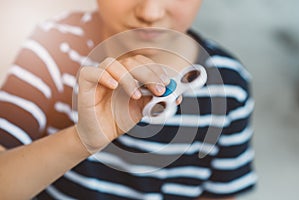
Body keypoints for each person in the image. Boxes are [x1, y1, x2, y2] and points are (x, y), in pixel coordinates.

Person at [0, 0, 256, 199]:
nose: (150, 12)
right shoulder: (54, 49)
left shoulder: (228, 85)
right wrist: (81, 140)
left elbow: (220, 194)